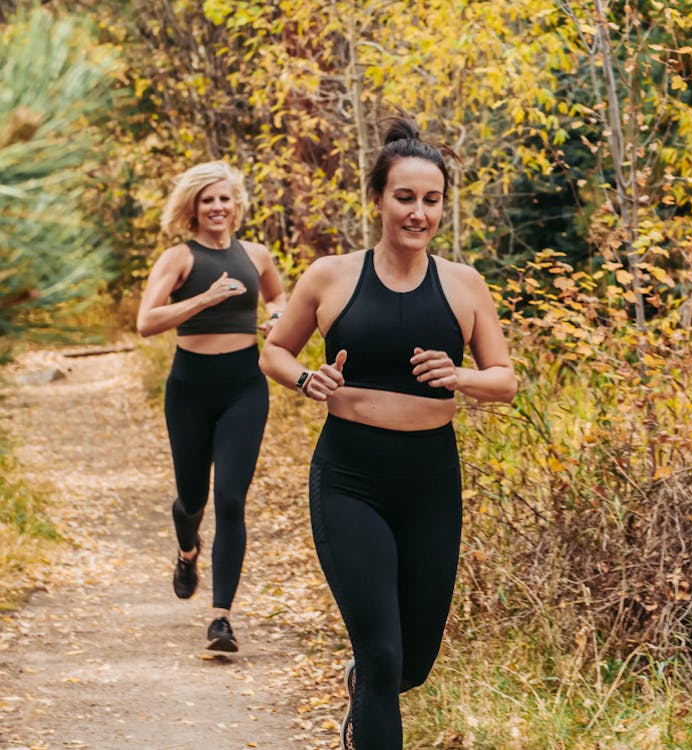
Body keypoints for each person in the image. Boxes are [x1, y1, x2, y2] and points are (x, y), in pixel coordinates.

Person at [260, 114, 518, 749]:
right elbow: (274, 352)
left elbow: (506, 380)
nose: (418, 213)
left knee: (412, 662)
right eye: (405, 197)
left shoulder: (463, 284)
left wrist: (461, 375)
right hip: (350, 478)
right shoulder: (331, 276)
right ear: (376, 199)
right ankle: (367, 698)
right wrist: (305, 381)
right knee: (380, 653)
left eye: (431, 201)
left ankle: (366, 686)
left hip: (431, 481)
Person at [136, 161, 286, 652]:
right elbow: (147, 322)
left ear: (236, 204)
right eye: (208, 200)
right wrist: (204, 299)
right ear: (193, 209)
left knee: (231, 500)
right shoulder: (179, 258)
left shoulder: (257, 255)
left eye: (224, 199)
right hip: (190, 390)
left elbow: (278, 297)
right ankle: (186, 550)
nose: (217, 208)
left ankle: (221, 618)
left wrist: (275, 321)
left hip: (245, 386)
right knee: (191, 498)